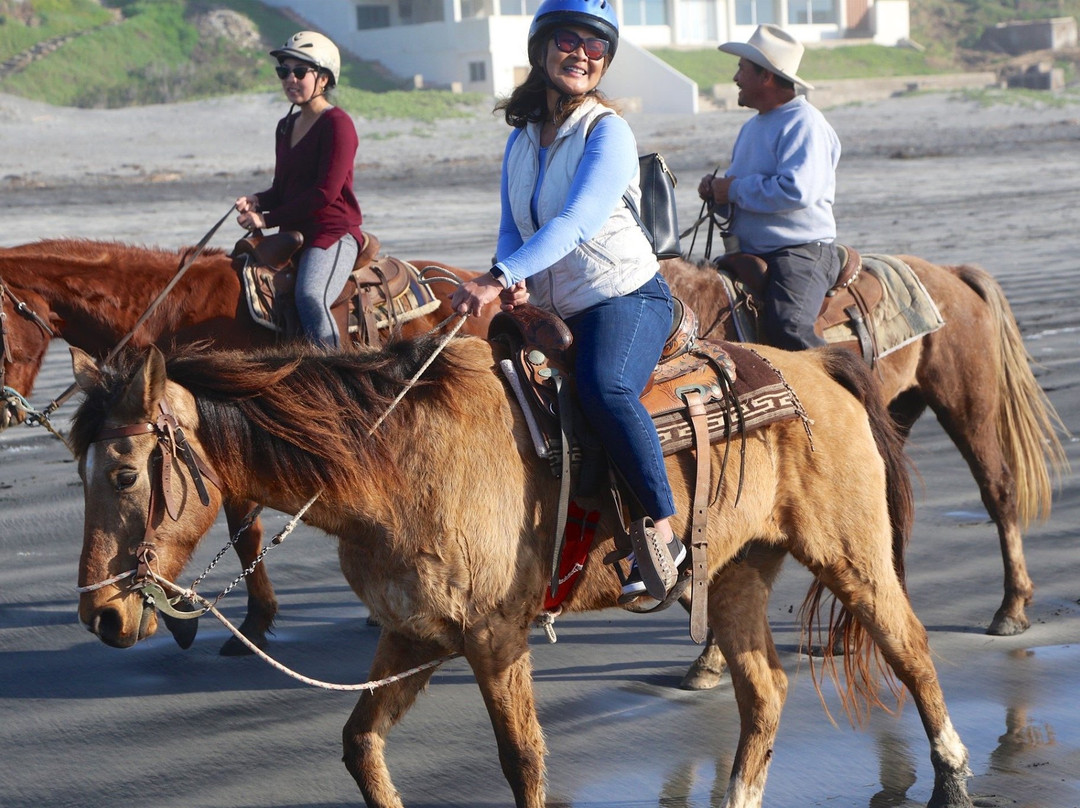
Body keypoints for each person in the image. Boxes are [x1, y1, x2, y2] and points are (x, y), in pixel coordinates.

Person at [450, 0, 685, 601]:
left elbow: (577, 222)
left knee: (604, 388)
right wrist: (513, 276)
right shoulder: (522, 139)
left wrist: (498, 276)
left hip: (624, 296)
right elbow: (513, 226)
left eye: (596, 45)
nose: (582, 54)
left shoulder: (608, 131)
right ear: (542, 50)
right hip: (559, 307)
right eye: (568, 41)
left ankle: (663, 529)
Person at [697, 24, 842, 350]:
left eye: (742, 69)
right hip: (750, 249)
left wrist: (732, 190)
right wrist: (718, 194)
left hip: (799, 251)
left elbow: (797, 191)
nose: (736, 78)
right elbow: (745, 193)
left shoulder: (804, 123)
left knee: (788, 326)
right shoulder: (752, 126)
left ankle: (838, 381)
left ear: (766, 76)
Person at [235, 31, 364, 348]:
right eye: (284, 71)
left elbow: (325, 194)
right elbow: (283, 189)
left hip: (331, 233)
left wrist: (266, 219)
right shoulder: (285, 126)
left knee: (310, 295)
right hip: (293, 233)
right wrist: (258, 200)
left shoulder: (338, 124)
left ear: (323, 78)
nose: (290, 79)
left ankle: (333, 370)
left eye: (300, 72)